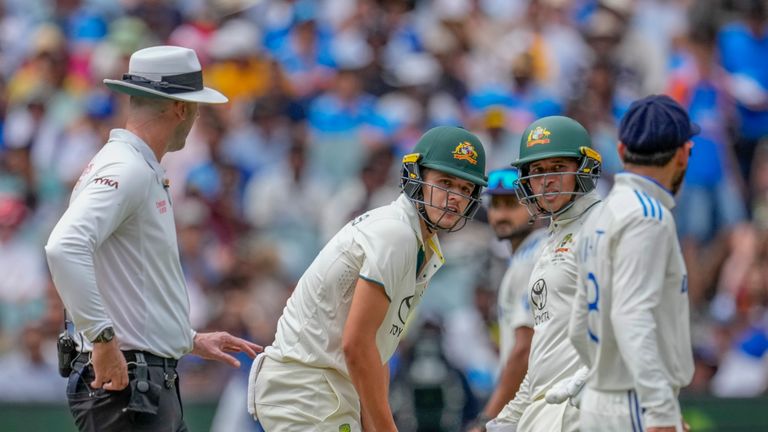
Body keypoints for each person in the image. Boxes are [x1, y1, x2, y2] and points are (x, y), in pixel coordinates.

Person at [44, 46, 262, 432]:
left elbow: (130, 279)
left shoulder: (133, 166)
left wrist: (186, 338)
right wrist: (103, 339)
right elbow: (64, 246)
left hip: (139, 384)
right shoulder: (128, 168)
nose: (196, 116)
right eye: (194, 106)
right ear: (180, 108)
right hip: (128, 387)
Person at [247, 126, 488, 431]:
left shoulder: (420, 243)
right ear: (416, 178)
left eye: (466, 190)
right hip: (308, 387)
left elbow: (377, 348)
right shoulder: (396, 234)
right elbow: (356, 345)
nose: (454, 198)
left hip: (324, 388)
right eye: (445, 183)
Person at [569, 94, 696, 432]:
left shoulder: (601, 214)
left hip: (601, 400)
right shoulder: (648, 216)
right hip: (635, 401)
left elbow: (578, 326)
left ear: (621, 150)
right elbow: (632, 314)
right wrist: (659, 407)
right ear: (684, 154)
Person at [486, 116, 603, 432]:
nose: (547, 180)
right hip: (546, 415)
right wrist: (507, 418)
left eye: (557, 168)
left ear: (584, 168)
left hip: (584, 412)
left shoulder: (603, 228)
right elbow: (544, 351)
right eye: (537, 172)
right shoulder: (551, 239)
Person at [467, 168, 546, 431]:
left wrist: (486, 419)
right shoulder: (535, 251)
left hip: (537, 405)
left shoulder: (531, 259)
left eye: (512, 204)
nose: (501, 214)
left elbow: (524, 349)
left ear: (536, 206)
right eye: (496, 204)